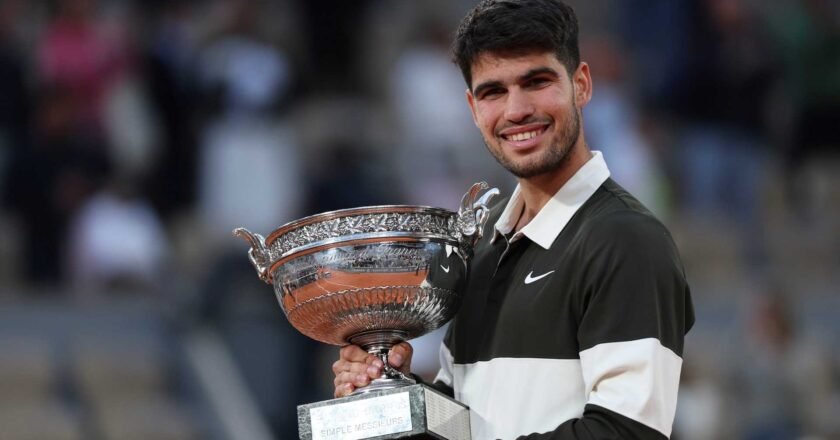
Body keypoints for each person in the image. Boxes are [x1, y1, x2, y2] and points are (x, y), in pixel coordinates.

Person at [332, 1, 694, 438]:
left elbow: (627, 432)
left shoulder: (626, 240)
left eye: (536, 82)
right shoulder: (480, 247)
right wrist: (394, 395)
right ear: (472, 107)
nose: (516, 110)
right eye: (493, 92)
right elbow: (463, 427)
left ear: (581, 85)